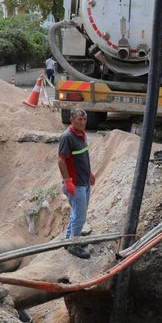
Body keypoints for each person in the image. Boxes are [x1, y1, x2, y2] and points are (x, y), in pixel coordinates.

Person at [57, 108, 95, 259]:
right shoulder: (67, 137)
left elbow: (83, 156)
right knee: (80, 216)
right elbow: (61, 160)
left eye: (84, 119)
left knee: (77, 213)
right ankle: (74, 245)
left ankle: (69, 239)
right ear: (72, 119)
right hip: (75, 184)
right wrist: (67, 181)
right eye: (79, 119)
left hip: (84, 182)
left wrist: (90, 173)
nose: (82, 122)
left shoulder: (82, 135)